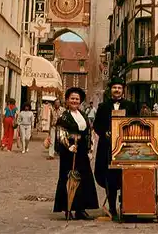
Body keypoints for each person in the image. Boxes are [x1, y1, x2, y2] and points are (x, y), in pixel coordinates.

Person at [93, 77, 137, 220]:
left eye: (119, 88)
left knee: (125, 177)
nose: (117, 90)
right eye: (114, 88)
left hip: (125, 147)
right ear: (110, 90)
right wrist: (105, 132)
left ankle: (126, 207)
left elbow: (136, 123)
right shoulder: (103, 107)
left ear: (123, 90)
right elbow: (96, 125)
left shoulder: (130, 106)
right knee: (109, 178)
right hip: (107, 148)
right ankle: (112, 208)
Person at [53, 87, 98, 220]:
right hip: (70, 152)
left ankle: (81, 209)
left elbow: (89, 133)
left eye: (77, 99)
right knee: (68, 179)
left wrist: (90, 149)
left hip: (82, 152)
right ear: (67, 100)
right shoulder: (64, 116)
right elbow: (60, 133)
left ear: (80, 101)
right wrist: (68, 146)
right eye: (72, 98)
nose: (74, 101)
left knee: (83, 179)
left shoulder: (83, 115)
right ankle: (67, 208)